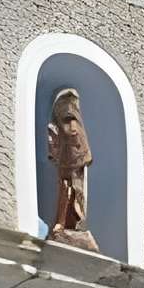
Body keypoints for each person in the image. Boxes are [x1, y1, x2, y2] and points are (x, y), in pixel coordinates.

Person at [44, 87, 99, 251]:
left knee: (74, 191)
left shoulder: (70, 114)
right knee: (67, 189)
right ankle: (63, 224)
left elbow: (73, 131)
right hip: (68, 158)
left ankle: (68, 224)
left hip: (73, 158)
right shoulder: (65, 112)